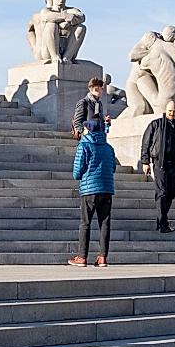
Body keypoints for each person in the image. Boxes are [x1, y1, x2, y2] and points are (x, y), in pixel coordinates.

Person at [69, 78, 116, 266]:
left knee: (85, 223)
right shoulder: (84, 102)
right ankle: (103, 257)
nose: (100, 92)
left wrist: (105, 124)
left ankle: (82, 257)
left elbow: (77, 171)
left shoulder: (100, 105)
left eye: (101, 89)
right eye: (97, 89)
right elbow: (77, 122)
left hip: (90, 185)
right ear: (91, 89)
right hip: (106, 184)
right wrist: (84, 132)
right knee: (104, 222)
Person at [139, 100, 175, 234]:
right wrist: (145, 161)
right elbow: (146, 143)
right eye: (170, 111)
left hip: (172, 164)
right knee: (162, 192)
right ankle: (163, 223)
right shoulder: (156, 124)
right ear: (166, 110)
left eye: (174, 111)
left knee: (170, 193)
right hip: (159, 163)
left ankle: (162, 221)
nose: (172, 113)